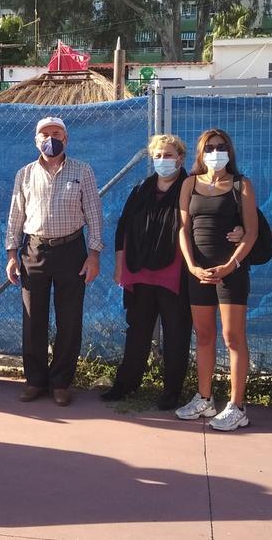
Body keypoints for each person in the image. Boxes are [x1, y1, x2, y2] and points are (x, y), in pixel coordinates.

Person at [5, 117, 103, 407]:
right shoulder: (24, 174)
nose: (51, 138)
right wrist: (11, 255)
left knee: (69, 319)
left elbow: (95, 214)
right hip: (34, 251)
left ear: (66, 138)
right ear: (36, 140)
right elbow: (15, 216)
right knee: (33, 319)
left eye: (56, 133)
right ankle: (35, 381)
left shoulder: (82, 171)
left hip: (72, 250)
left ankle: (61, 382)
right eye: (45, 134)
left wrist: (94, 254)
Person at [175, 128, 258, 431]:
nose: (215, 152)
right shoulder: (189, 184)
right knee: (204, 335)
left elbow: (251, 233)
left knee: (233, 338)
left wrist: (230, 264)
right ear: (200, 153)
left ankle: (237, 406)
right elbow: (183, 229)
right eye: (209, 148)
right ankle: (205, 398)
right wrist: (192, 266)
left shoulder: (241, 185)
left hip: (231, 274)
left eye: (221, 146)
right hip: (198, 273)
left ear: (230, 151)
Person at [102, 134, 192, 409]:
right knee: (138, 330)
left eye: (168, 155)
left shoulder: (191, 188)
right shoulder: (141, 188)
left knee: (176, 333)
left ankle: (171, 391)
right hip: (139, 272)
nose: (163, 160)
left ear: (181, 158)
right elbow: (123, 227)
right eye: (158, 155)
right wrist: (120, 265)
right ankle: (126, 384)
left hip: (176, 276)